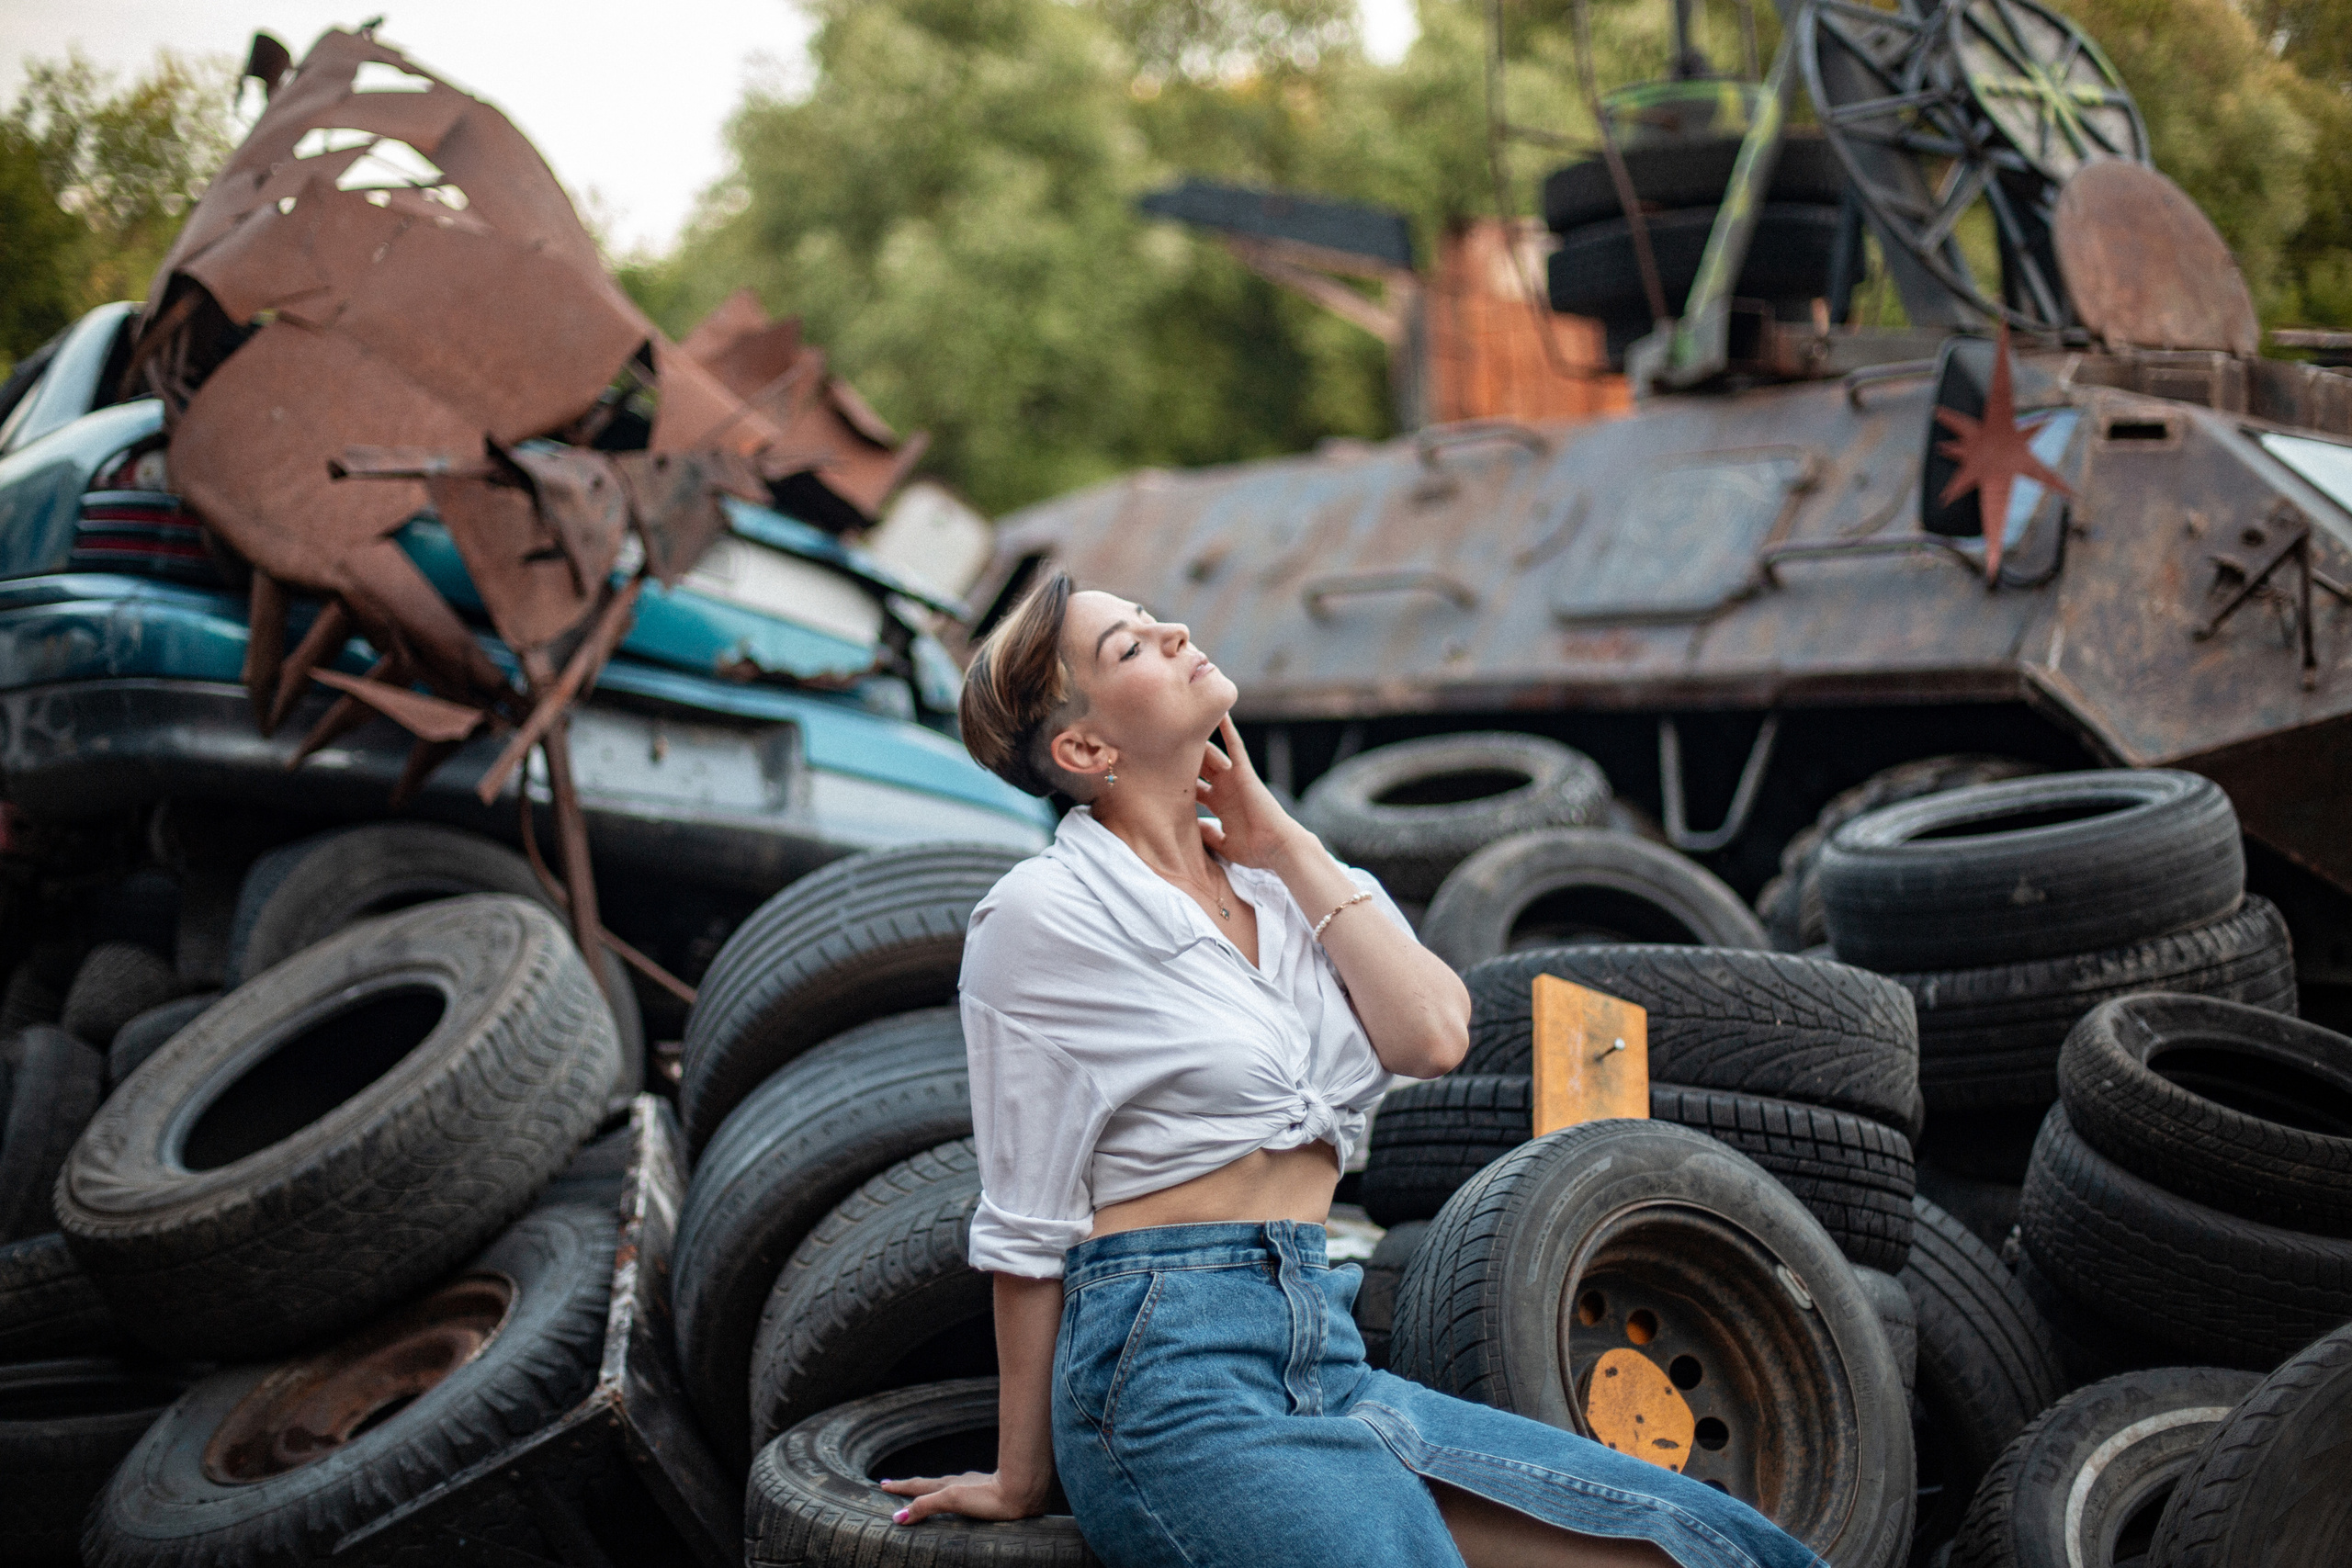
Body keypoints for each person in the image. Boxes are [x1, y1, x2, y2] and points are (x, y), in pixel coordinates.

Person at [878, 570, 1825, 1568]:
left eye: (1154, 618)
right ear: (1083, 747)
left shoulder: (1287, 882)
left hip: (1323, 1350)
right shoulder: (1042, 917)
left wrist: (1281, 839)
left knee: (1715, 1547)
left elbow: (1432, 1036)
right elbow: (1027, 1225)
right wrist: (1021, 1475)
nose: (1174, 631)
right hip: (1167, 1374)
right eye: (1129, 646)